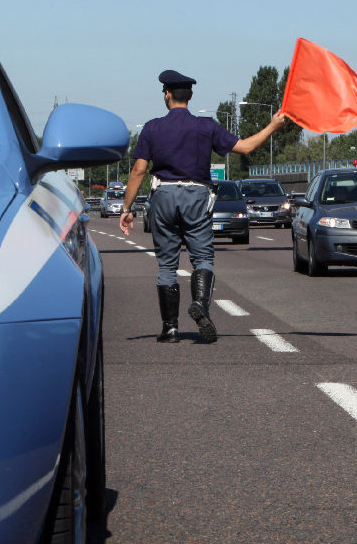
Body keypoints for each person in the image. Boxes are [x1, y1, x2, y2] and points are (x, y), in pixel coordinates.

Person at [119, 70, 288, 343]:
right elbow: (244, 147)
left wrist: (126, 208)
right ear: (191, 96)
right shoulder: (206, 126)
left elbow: (139, 171)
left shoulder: (152, 128)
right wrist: (272, 126)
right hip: (197, 195)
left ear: (167, 95)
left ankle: (170, 329)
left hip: (163, 195)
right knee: (203, 258)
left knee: (166, 265)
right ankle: (200, 302)